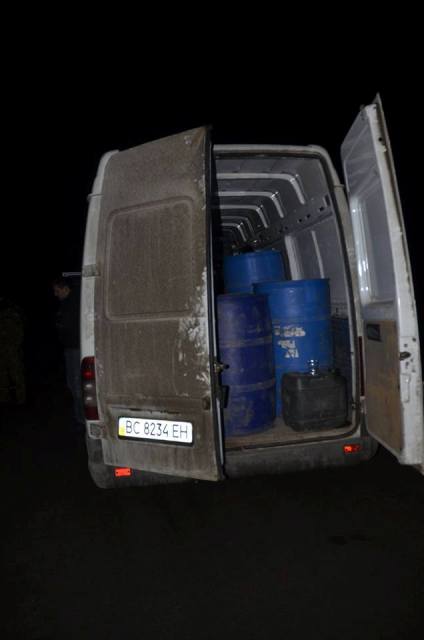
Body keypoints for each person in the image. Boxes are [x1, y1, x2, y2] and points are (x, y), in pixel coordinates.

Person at [52, 277, 85, 431]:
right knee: (72, 384)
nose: (55, 294)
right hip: (69, 349)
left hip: (77, 349)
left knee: (77, 385)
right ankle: (78, 416)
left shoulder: (75, 303)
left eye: (57, 290)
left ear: (65, 289)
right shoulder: (65, 304)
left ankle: (82, 420)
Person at [0, 295, 26, 405]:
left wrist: (15, 346)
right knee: (2, 375)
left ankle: (21, 399)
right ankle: (4, 397)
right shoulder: (3, 314)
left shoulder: (14, 314)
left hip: (12, 349)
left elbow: (20, 333)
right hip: (3, 349)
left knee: (16, 374)